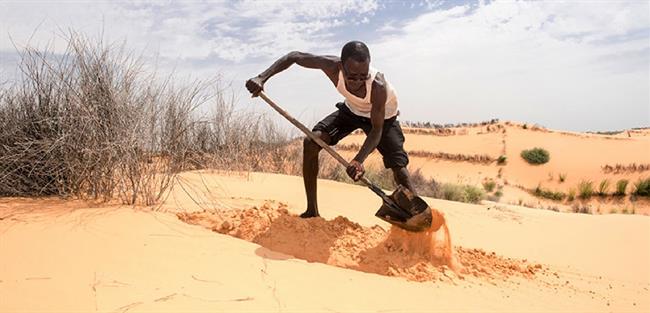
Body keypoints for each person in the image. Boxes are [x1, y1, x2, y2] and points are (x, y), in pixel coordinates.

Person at [246, 41, 415, 218]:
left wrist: (358, 160)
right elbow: (294, 56)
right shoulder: (331, 66)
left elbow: (377, 130)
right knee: (311, 142)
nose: (357, 81)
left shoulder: (378, 86)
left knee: (399, 167)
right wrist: (262, 78)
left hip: (383, 119)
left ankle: (417, 214)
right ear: (341, 67)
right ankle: (312, 210)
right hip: (351, 111)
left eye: (363, 76)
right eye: (352, 76)